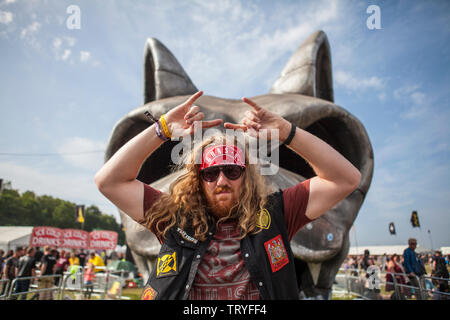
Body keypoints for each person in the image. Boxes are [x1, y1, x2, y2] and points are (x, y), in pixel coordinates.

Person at [94, 91, 361, 300]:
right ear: (198, 179)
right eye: (210, 173)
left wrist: (287, 133)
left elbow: (345, 179)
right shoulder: (174, 217)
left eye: (232, 171)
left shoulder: (278, 212)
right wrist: (161, 129)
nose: (221, 180)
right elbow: (109, 181)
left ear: (246, 175)